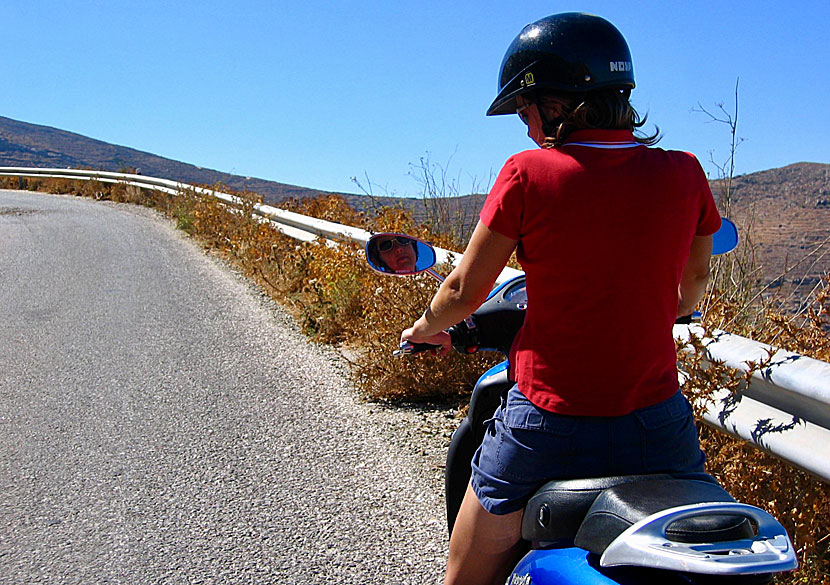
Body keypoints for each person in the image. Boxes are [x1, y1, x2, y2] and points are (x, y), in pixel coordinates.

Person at [399, 12, 721, 585]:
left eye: (525, 112)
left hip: (547, 423)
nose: (525, 129)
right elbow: (691, 289)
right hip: (657, 425)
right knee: (703, 552)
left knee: (463, 573)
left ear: (556, 103)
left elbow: (461, 290)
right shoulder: (685, 172)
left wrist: (424, 328)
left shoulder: (527, 174)